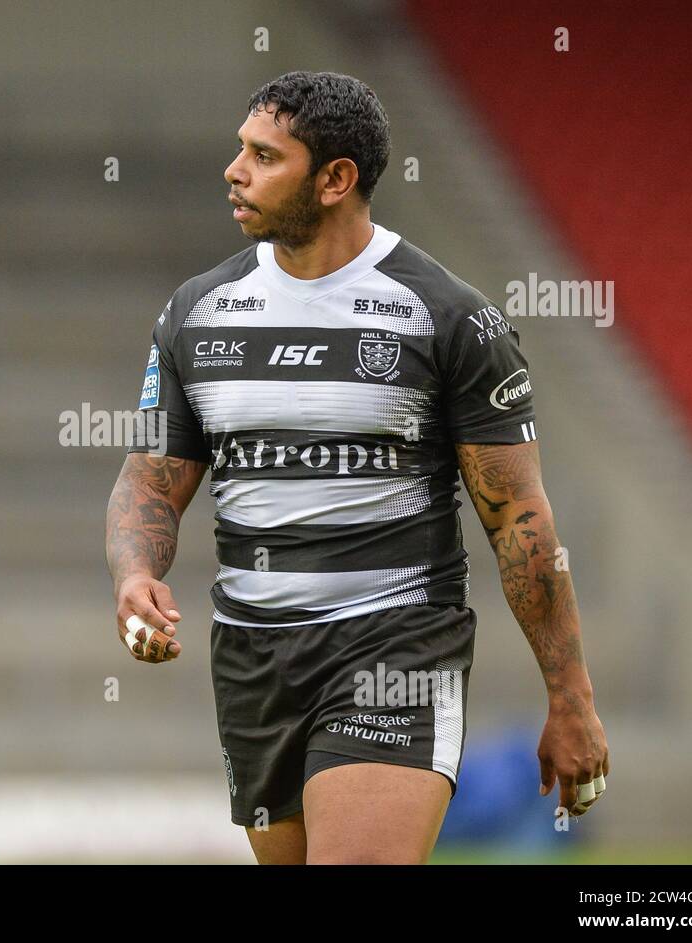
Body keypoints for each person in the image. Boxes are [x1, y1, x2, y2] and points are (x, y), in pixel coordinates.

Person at [105, 71, 609, 864]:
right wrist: (135, 573)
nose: (233, 171)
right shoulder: (196, 312)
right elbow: (149, 479)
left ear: (336, 179)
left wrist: (570, 695)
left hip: (395, 644)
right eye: (240, 149)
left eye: (264, 156)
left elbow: (520, 520)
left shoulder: (448, 318)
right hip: (253, 654)